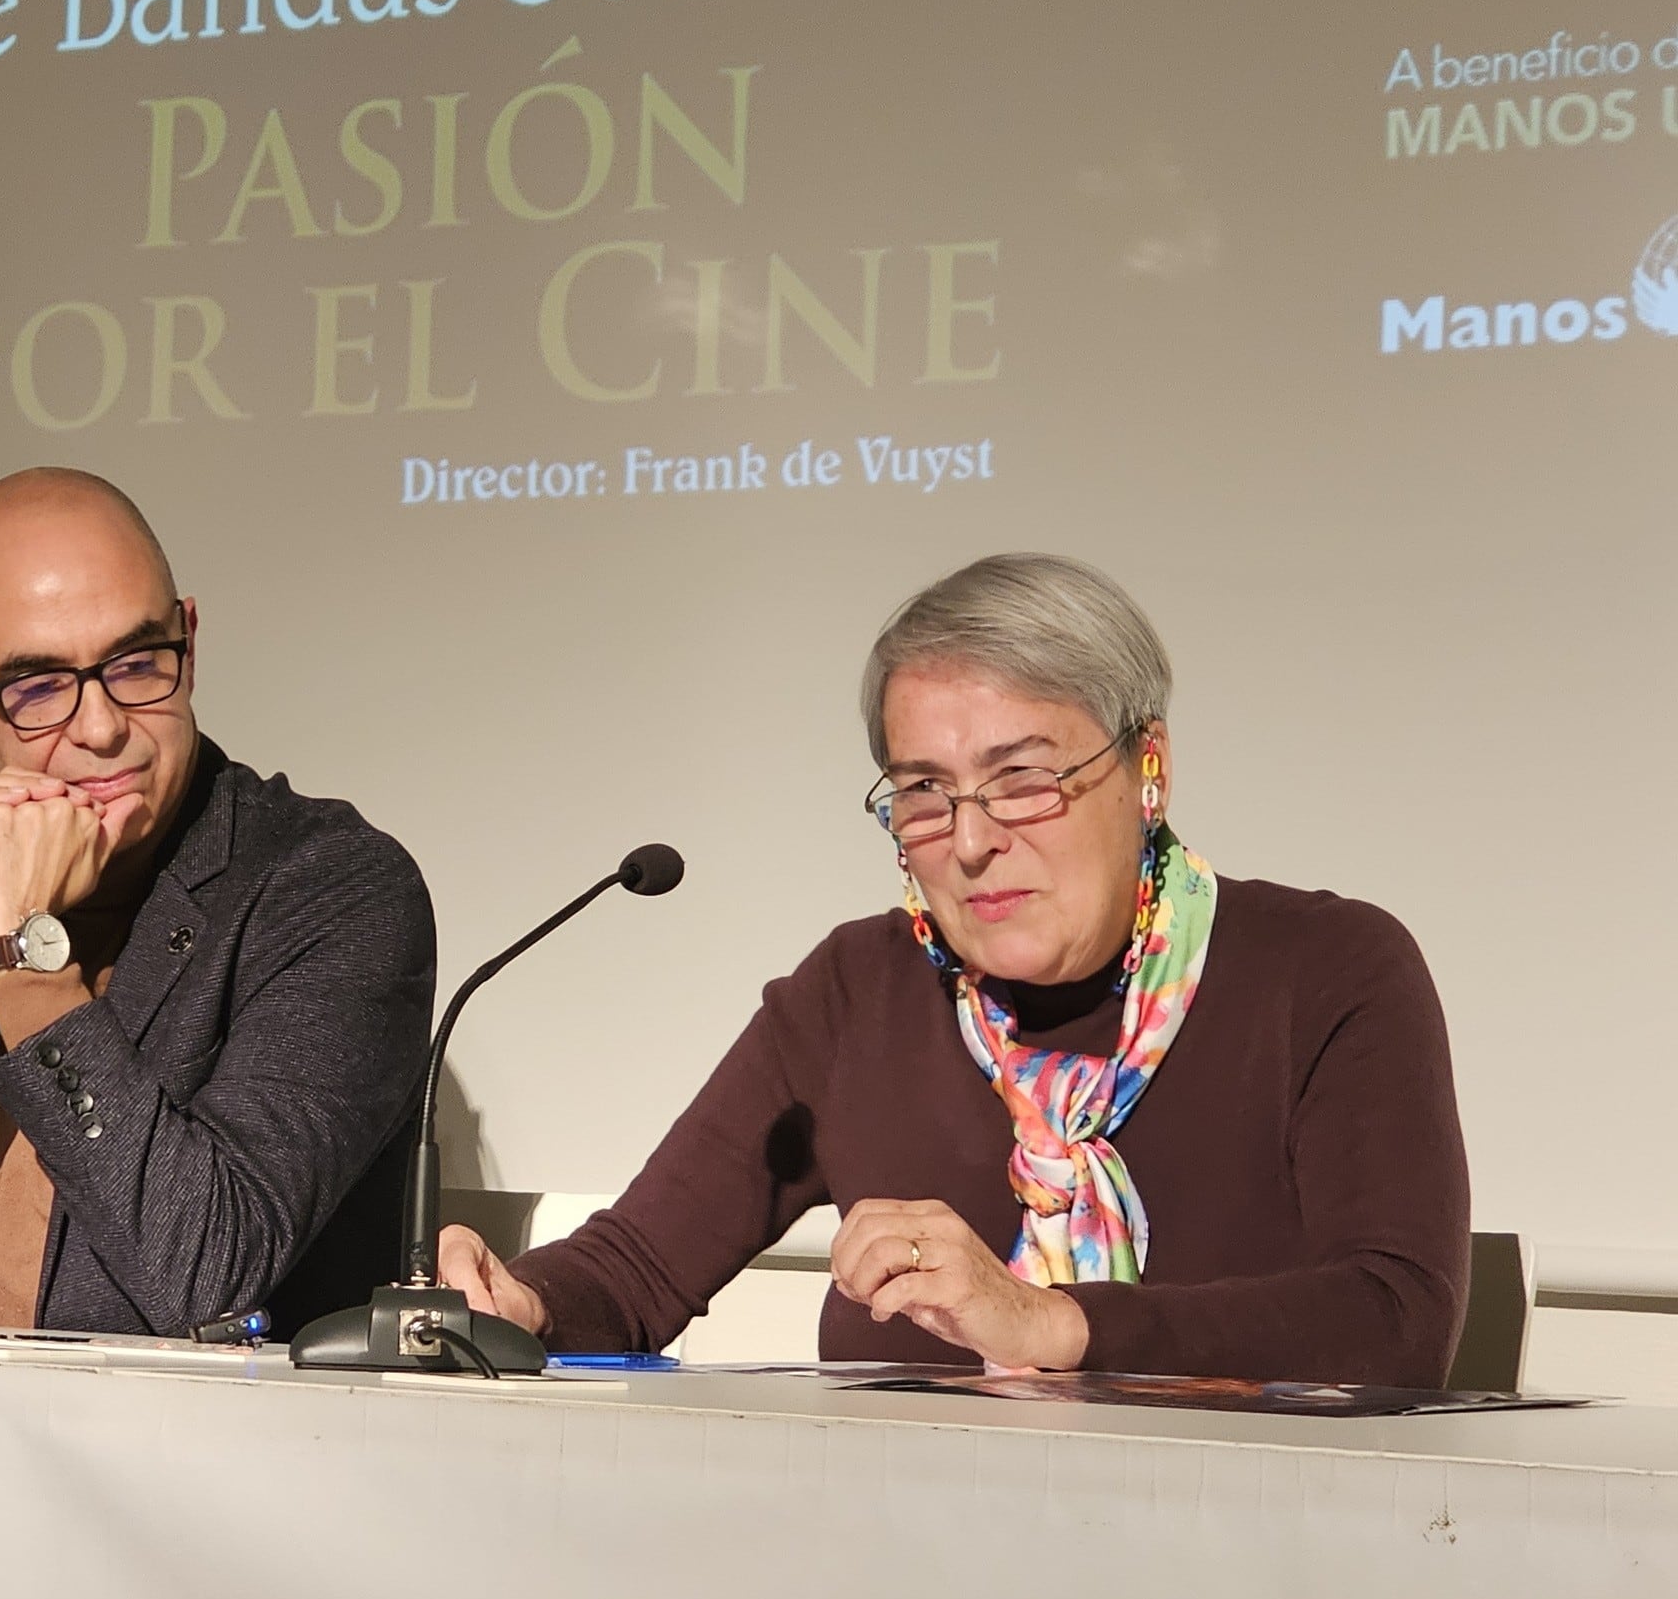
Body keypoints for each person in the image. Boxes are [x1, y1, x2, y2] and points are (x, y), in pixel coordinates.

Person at [440, 553, 1471, 1385]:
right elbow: (639, 1270)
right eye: (924, 792)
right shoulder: (859, 990)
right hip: (898, 1580)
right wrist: (521, 1305)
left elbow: (1395, 1318)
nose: (969, 842)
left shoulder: (1326, 970)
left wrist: (1051, 1324)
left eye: (1023, 781)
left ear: (1146, 768)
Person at [0, 466, 434, 1336]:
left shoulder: (331, 887)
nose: (103, 727)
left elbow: (204, 1273)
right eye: (38, 688)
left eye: (139, 664)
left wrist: (20, 960)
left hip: (216, 1460)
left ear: (191, 642)